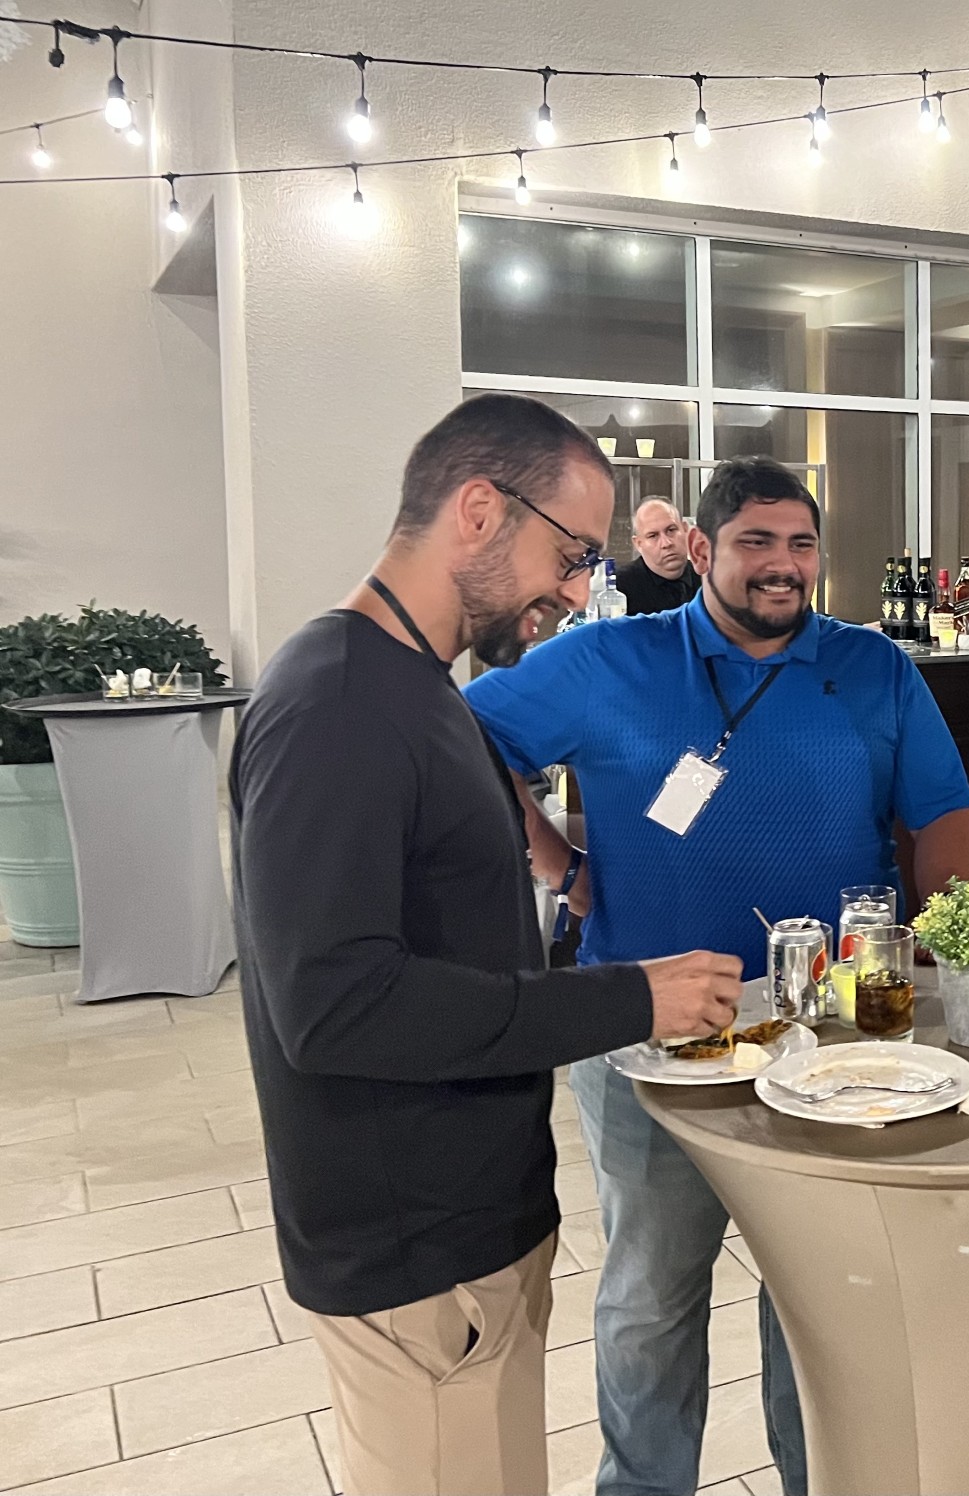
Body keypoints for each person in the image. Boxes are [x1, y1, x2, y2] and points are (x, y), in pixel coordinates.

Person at [230, 393, 743, 1496]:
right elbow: (337, 1005)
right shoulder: (335, 704)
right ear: (477, 509)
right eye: (568, 554)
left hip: (468, 1228)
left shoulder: (420, 691)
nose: (573, 589)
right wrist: (626, 1000)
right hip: (413, 1251)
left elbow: (445, 949)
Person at [465, 455, 969, 1496]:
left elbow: (945, 820)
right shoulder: (609, 658)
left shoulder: (873, 666)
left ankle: (822, 1477)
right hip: (649, 1032)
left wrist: (933, 954)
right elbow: (463, 734)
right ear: (702, 549)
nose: (782, 566)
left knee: (820, 1292)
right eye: (755, 541)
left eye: (800, 543)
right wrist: (557, 861)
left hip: (829, 1037)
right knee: (653, 1292)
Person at [616, 497, 699, 615]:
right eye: (653, 536)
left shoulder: (708, 580)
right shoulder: (619, 589)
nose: (666, 543)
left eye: (671, 530)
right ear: (638, 544)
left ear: (685, 530)